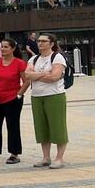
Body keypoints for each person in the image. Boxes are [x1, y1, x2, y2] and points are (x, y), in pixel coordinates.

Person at [25, 33, 69, 169]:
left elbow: (55, 77)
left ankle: (59, 158)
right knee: (41, 127)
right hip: (37, 96)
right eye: (39, 41)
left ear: (51, 44)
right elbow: (27, 75)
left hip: (54, 95)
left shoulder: (57, 57)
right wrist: (45, 74)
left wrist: (36, 75)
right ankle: (46, 157)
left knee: (57, 126)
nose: (40, 43)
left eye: (44, 41)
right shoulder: (33, 59)